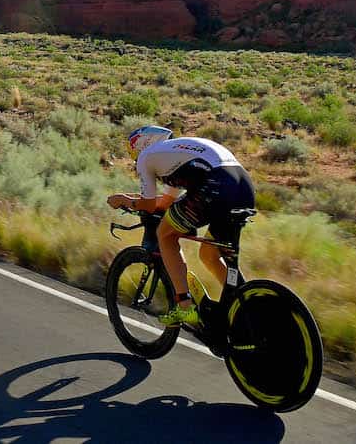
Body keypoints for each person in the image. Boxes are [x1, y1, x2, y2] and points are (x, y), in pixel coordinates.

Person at [106, 125, 255, 328]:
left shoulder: (147, 156)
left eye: (133, 151)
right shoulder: (175, 153)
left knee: (165, 234)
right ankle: (246, 306)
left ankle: (185, 306)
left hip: (215, 186)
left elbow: (149, 205)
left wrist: (124, 200)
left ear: (143, 144)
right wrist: (133, 199)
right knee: (209, 254)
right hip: (243, 186)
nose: (134, 158)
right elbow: (166, 202)